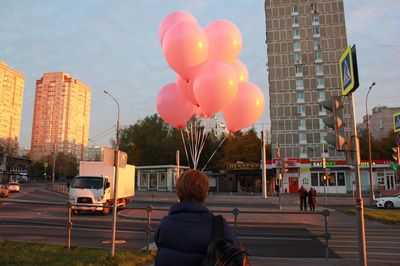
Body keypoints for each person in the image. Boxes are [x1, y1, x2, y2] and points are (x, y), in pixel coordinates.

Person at [154, 169, 237, 266]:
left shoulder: (165, 224)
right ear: (205, 193)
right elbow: (234, 255)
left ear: (178, 192)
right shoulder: (218, 227)